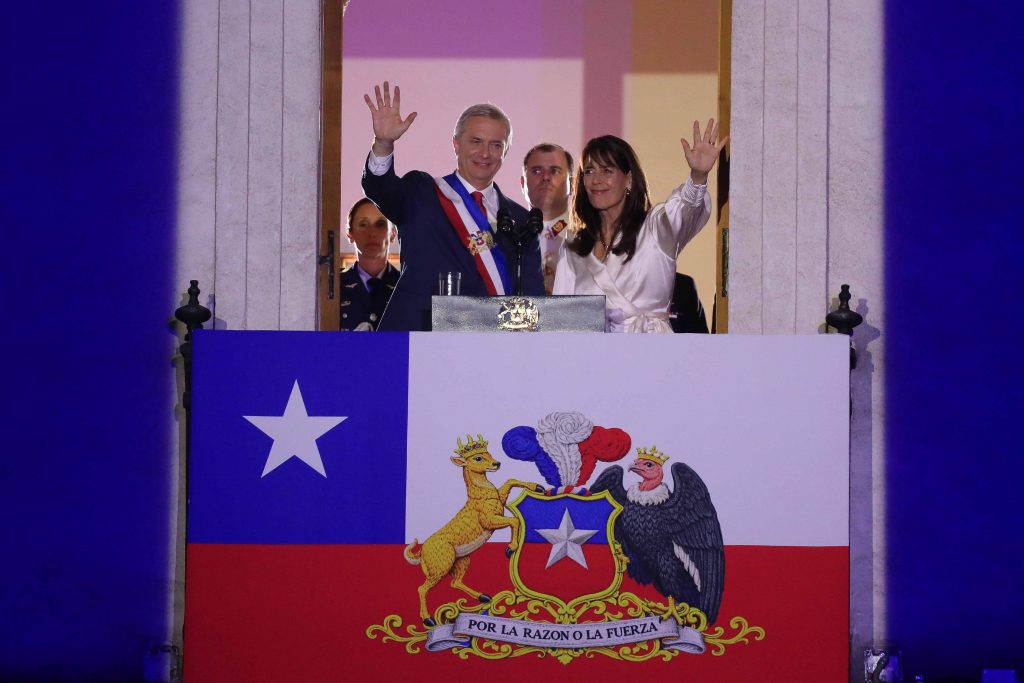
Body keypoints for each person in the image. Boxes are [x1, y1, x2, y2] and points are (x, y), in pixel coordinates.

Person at [361, 81, 544, 331]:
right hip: (422, 340)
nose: (485, 153)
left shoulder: (521, 220)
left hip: (494, 348)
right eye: (476, 141)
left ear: (506, 150)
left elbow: (532, 301)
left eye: (496, 144)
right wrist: (383, 144)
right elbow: (379, 187)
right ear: (456, 144)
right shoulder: (422, 192)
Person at [553, 121, 727, 333]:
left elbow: (684, 211)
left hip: (650, 354)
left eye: (607, 170)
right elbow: (560, 322)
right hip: (592, 359)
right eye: (589, 171)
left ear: (628, 180)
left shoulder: (655, 228)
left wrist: (698, 177)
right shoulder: (574, 246)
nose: (596, 180)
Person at [339, 198, 399, 331]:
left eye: (380, 224)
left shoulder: (406, 286)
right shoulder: (334, 287)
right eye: (363, 224)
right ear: (350, 234)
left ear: (393, 234)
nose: (371, 233)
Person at [521, 143, 573, 294]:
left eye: (555, 171)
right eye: (536, 171)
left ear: (572, 183)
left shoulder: (590, 236)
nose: (545, 177)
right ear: (523, 183)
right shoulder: (504, 235)